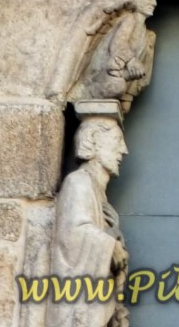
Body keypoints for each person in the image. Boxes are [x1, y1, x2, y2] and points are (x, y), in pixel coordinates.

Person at [48, 121, 129, 327]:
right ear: (93, 142)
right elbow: (71, 233)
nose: (124, 150)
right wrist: (110, 247)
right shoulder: (78, 182)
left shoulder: (95, 190)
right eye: (117, 141)